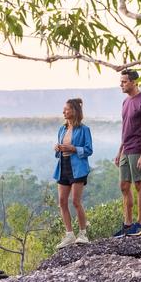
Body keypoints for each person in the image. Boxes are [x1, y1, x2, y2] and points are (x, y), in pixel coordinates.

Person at [113, 69, 141, 238]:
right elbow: (125, 129)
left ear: (134, 82)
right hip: (126, 147)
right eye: (121, 81)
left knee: (139, 184)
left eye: (124, 82)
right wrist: (119, 150)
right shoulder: (126, 102)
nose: (121, 85)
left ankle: (140, 224)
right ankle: (127, 224)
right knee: (124, 186)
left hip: (139, 148)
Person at [53, 98, 93, 249]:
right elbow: (61, 151)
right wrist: (58, 148)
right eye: (63, 109)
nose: (64, 111)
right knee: (62, 202)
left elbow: (89, 150)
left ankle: (83, 234)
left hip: (79, 168)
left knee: (76, 201)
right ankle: (69, 234)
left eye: (66, 109)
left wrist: (73, 148)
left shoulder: (84, 129)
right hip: (63, 166)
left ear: (74, 111)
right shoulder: (62, 129)